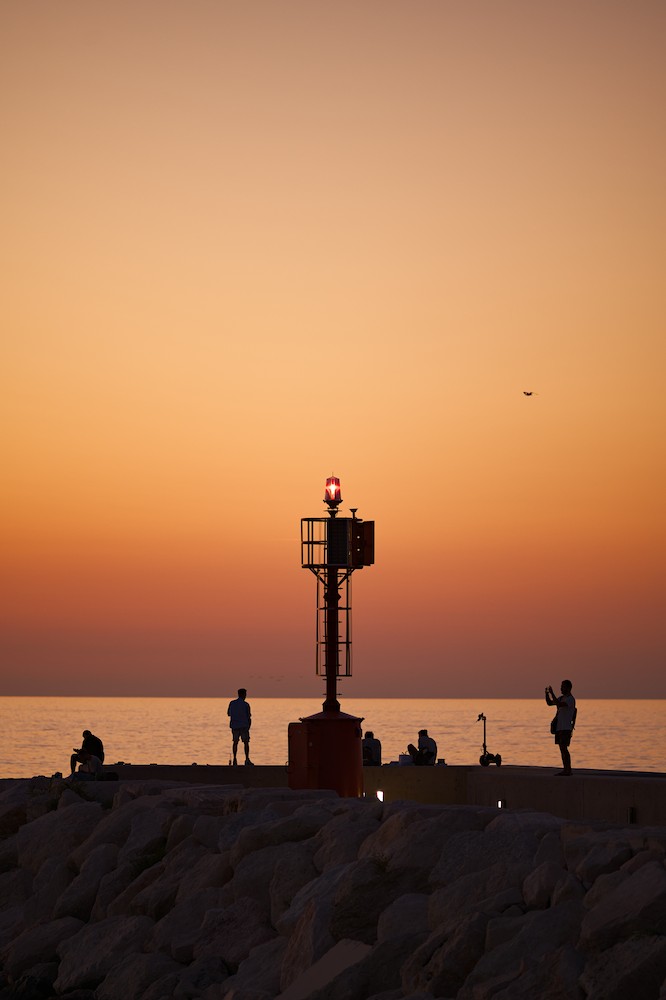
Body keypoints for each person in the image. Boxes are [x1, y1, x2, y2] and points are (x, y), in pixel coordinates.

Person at [545, 679, 576, 775]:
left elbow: (558, 704)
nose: (561, 688)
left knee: (564, 748)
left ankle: (568, 769)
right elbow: (550, 703)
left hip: (566, 728)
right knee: (561, 749)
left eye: (563, 687)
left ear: (569, 688)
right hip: (560, 727)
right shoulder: (561, 698)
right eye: (561, 686)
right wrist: (547, 694)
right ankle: (565, 769)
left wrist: (552, 693)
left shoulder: (570, 699)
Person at [227, 688, 253, 765]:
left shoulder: (232, 703)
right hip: (244, 726)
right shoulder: (246, 704)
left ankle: (235, 759)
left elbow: (229, 713)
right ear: (243, 695)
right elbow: (249, 716)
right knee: (246, 743)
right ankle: (247, 759)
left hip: (235, 725)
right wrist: (249, 726)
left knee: (235, 742)